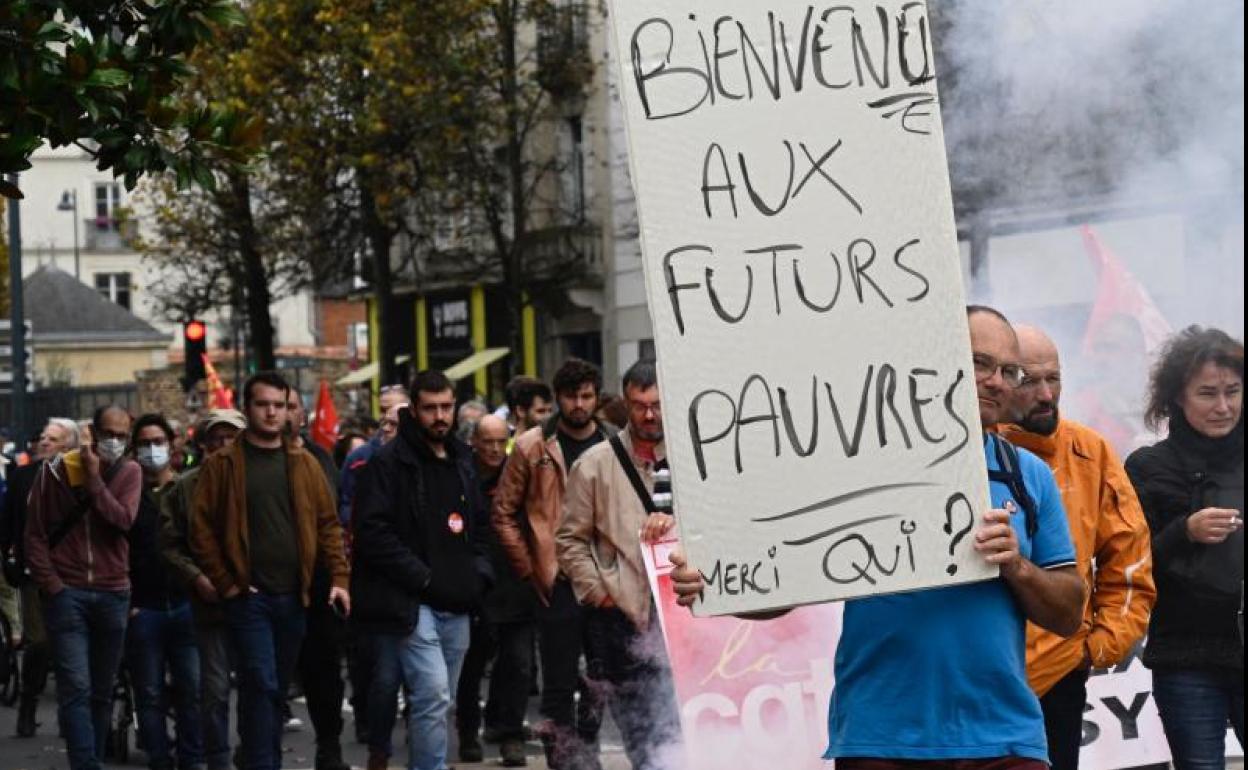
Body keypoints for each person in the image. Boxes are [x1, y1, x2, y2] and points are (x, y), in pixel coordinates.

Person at [672, 305, 1085, 768]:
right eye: (979, 363)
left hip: (1004, 740)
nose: (995, 380)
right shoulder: (857, 466)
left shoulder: (1027, 476)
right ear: (936, 356)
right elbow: (784, 584)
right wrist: (713, 583)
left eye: (1008, 370)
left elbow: (1069, 614)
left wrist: (1016, 566)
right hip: (880, 739)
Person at [999, 325, 1156, 770]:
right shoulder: (968, 453)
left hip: (1060, 674)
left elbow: (1129, 556)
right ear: (998, 381)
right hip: (980, 678)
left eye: (1054, 378)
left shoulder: (1090, 450)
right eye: (1029, 381)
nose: (1047, 394)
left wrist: (1100, 646)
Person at [190, 372, 351, 770]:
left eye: (279, 405)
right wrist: (227, 583)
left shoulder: (304, 463)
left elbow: (329, 525)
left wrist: (340, 580)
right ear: (248, 409)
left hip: (294, 596)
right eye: (263, 404)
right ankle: (263, 762)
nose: (272, 412)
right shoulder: (225, 464)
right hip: (248, 598)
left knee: (273, 689)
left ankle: (257, 753)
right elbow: (201, 527)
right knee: (259, 682)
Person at [351, 370, 493, 770]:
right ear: (414, 410)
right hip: (413, 602)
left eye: (446, 407)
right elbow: (372, 532)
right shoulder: (388, 463)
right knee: (431, 695)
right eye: (430, 409)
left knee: (439, 699)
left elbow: (481, 523)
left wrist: (479, 573)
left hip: (460, 599)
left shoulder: (463, 458)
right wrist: (423, 577)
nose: (439, 417)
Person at [1125, 326, 1245, 770]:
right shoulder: (1147, 467)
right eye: (1207, 394)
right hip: (1186, 657)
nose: (1223, 407)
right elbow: (1129, 565)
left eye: (1233, 391)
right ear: (1177, 396)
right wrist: (1183, 532)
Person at [556, 359, 682, 770]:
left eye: (658, 404)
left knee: (688, 727)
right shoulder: (594, 464)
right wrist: (601, 593)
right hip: (623, 620)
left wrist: (675, 525)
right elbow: (570, 540)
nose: (649, 414)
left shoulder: (694, 457)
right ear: (625, 404)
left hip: (687, 618)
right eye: (639, 405)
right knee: (643, 737)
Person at [492, 358, 611, 770]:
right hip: (556, 579)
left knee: (601, 680)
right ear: (557, 398)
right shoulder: (531, 445)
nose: (578, 404)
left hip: (606, 579)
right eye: (570, 396)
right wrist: (530, 568)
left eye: (586, 396)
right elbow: (503, 512)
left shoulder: (614, 442)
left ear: (596, 397)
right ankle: (562, 761)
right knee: (558, 685)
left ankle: (588, 752)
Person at [25, 405, 142, 770]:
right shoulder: (56, 473)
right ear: (92, 431)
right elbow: (35, 535)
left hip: (112, 592)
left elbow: (122, 520)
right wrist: (53, 585)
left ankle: (93, 751)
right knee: (75, 686)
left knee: (101, 689)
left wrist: (94, 479)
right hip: (68, 593)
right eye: (108, 434)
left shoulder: (129, 472)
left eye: (122, 436)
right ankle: (85, 763)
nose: (113, 442)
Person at [160, 408, 247, 770]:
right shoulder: (184, 488)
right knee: (213, 691)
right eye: (217, 438)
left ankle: (254, 751)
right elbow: (169, 545)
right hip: (210, 604)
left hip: (257, 600)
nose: (224, 445)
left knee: (261, 686)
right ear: (205, 444)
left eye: (231, 438)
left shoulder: (261, 480)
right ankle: (219, 760)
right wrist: (197, 577)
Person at [126, 413, 203, 770]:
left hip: (186, 604)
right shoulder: (126, 495)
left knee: (192, 689)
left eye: (158, 442)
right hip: (145, 607)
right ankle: (159, 757)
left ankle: (191, 757)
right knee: (150, 691)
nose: (152, 450)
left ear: (172, 444)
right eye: (144, 443)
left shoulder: (186, 489)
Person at [457, 414, 534, 766]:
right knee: (471, 667)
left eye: (499, 441)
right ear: (473, 441)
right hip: (475, 586)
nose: (493, 449)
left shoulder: (517, 472)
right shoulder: (460, 473)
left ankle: (510, 733)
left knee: (518, 664)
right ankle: (469, 730)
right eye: (486, 441)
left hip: (516, 583)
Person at [0, 417, 80, 737]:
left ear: (70, 446)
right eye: (43, 438)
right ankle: (29, 700)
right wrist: (8, 557)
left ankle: (70, 710)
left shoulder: (81, 478)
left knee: (70, 644)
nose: (44, 443)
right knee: (40, 642)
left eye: (54, 440)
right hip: (34, 572)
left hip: (74, 572)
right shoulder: (22, 477)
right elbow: (7, 522)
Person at [287, 388, 353, 770]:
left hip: (318, 586)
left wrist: (339, 577)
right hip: (269, 586)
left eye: (290, 407)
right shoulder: (244, 463)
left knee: (324, 673)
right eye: (274, 406)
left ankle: (330, 746)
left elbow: (331, 522)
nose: (282, 414)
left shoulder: (319, 458)